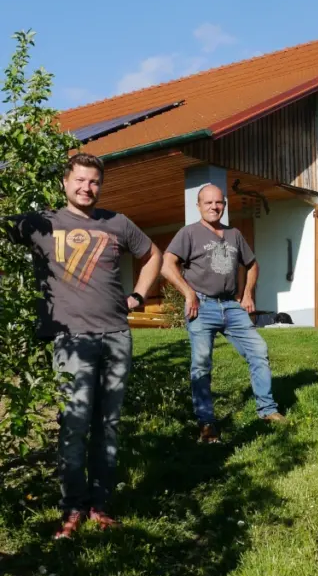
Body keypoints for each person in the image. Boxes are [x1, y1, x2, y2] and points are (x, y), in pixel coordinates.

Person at [2, 152, 162, 539]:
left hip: (116, 336)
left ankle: (99, 506)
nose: (87, 188)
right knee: (74, 426)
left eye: (94, 182)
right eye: (79, 180)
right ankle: (72, 509)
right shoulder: (42, 222)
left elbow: (153, 254)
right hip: (71, 340)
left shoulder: (117, 222)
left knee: (108, 426)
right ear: (64, 182)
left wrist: (138, 296)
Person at [161, 183, 284, 443]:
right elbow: (167, 265)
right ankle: (206, 423)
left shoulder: (234, 234)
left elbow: (252, 265)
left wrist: (247, 293)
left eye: (218, 202)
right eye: (208, 202)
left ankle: (267, 410)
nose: (214, 207)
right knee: (201, 363)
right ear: (198, 206)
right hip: (202, 306)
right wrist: (188, 293)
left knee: (258, 350)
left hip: (231, 305)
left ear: (224, 206)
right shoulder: (188, 233)